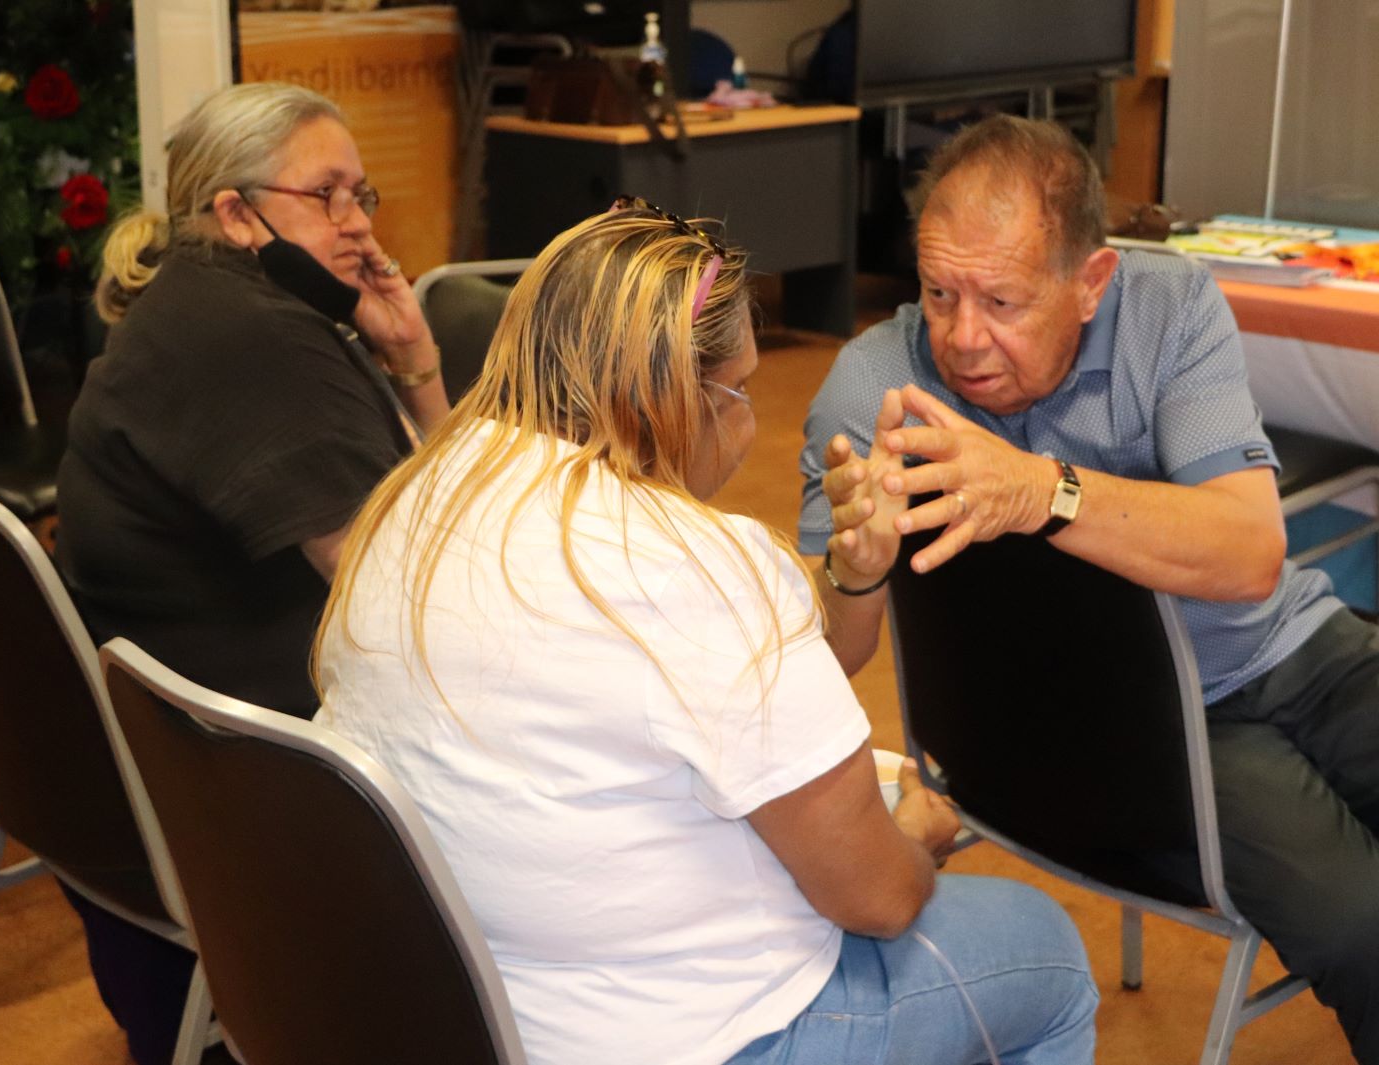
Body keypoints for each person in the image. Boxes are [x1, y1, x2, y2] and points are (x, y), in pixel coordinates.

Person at [802, 114, 1379, 1065]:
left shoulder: (1167, 306)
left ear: (1090, 284)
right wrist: (854, 568)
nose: (961, 337)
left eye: (1001, 300)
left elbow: (1248, 554)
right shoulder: (869, 384)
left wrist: (1041, 490)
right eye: (937, 290)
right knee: (1373, 926)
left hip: (1283, 645)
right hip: (1111, 724)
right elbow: (831, 653)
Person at [315, 201, 1098, 1065]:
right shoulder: (698, 563)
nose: (749, 423)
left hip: (459, 1007)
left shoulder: (416, 498)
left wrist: (854, 572)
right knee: (1044, 951)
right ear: (679, 398)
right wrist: (917, 837)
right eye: (743, 390)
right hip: (680, 1036)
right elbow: (876, 898)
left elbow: (729, 678)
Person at [55, 81, 445, 1064]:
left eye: (363, 196)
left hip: (149, 755)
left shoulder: (209, 301)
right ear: (237, 213)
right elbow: (405, 593)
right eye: (329, 196)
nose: (359, 225)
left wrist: (414, 366)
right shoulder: (257, 343)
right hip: (242, 773)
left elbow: (428, 533)